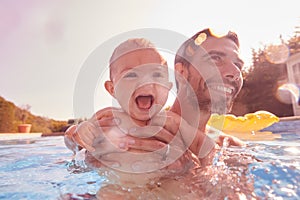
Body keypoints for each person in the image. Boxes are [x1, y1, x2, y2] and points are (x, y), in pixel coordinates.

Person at [65, 28, 244, 164]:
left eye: (238, 64)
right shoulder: (123, 127)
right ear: (181, 72)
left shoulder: (231, 147)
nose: (234, 72)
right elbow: (77, 142)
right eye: (215, 59)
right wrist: (77, 136)